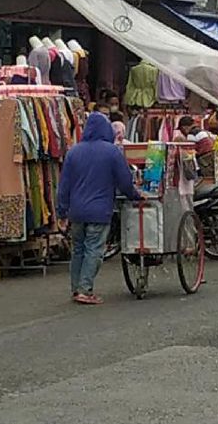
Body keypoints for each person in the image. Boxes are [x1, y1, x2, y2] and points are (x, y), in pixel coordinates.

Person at [56, 113, 142, 305]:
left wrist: (62, 212)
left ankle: (76, 288)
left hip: (76, 212)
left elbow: (63, 186)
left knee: (78, 250)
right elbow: (125, 182)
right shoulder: (112, 152)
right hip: (99, 211)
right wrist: (136, 196)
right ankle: (85, 290)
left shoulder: (73, 152)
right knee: (93, 250)